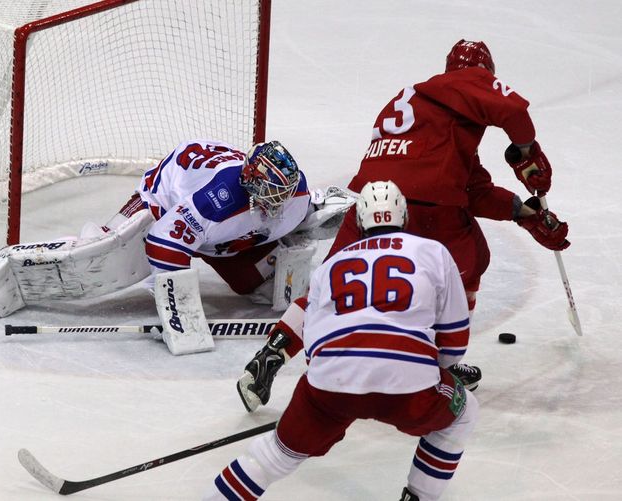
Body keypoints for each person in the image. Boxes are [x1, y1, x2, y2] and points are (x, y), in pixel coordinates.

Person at [237, 39, 571, 400]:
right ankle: (443, 363)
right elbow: (513, 112)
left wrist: (524, 212)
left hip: (367, 197)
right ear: (483, 73)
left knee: (330, 280)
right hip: (425, 205)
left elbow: (472, 188)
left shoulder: (428, 111)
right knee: (473, 259)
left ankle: (272, 353)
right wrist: (526, 151)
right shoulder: (468, 80)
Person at [205, 181, 478, 501]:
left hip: (330, 380)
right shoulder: (433, 252)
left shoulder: (334, 264)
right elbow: (455, 339)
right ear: (405, 217)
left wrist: (335, 378)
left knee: (270, 456)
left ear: (360, 221)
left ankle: (271, 356)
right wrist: (435, 373)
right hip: (408, 378)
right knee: (464, 412)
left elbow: (314, 337)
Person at [0, 139, 353, 354]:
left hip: (219, 236)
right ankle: (9, 268)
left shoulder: (294, 195)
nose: (277, 202)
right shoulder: (218, 200)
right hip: (164, 205)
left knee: (260, 286)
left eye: (281, 193)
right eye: (269, 192)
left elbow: (313, 208)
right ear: (250, 182)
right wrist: (180, 310)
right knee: (94, 262)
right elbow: (164, 240)